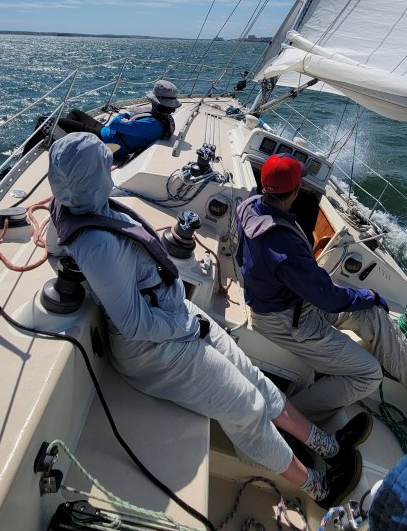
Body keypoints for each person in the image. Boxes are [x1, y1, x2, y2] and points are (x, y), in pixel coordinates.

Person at [46, 133, 371, 509]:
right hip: (156, 348)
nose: (111, 166)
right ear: (91, 176)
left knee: (256, 379)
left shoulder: (87, 204)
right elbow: (134, 324)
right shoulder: (97, 245)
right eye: (104, 163)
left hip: (175, 319)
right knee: (248, 407)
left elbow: (64, 243)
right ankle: (318, 486)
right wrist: (186, 327)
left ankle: (326, 446)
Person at [236, 154, 407, 430]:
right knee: (368, 375)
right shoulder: (283, 248)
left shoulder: (250, 206)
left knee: (372, 314)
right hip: (286, 320)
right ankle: (286, 419)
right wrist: (369, 295)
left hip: (295, 301)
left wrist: (368, 302)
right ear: (296, 191)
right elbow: (328, 299)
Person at [24, 78, 180, 161]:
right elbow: (125, 125)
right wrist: (128, 121)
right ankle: (67, 142)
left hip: (104, 141)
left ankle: (67, 150)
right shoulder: (161, 118)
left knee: (44, 121)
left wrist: (125, 116)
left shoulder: (151, 124)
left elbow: (116, 122)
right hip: (110, 134)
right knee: (75, 112)